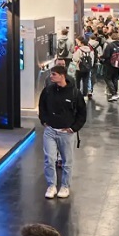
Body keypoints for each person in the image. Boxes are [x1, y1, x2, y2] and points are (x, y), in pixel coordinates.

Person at [38, 65, 86, 200]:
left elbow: (82, 113)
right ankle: (51, 186)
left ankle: (65, 186)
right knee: (49, 159)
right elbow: (42, 106)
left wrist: (73, 128)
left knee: (67, 161)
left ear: (62, 76)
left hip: (67, 133)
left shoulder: (75, 93)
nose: (51, 77)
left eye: (54, 74)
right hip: (50, 131)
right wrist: (44, 121)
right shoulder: (48, 90)